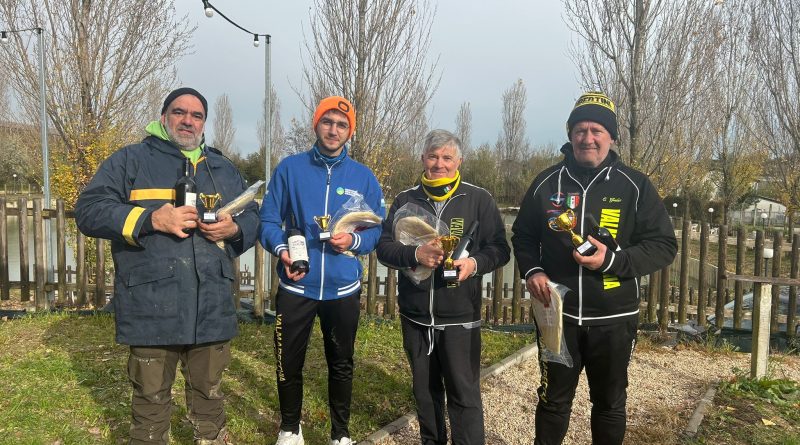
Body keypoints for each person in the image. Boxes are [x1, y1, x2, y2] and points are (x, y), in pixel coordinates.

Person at [75, 87, 259, 445]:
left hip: (211, 307)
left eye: (197, 115)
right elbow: (89, 211)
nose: (187, 120)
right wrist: (150, 219)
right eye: (179, 112)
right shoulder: (131, 160)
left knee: (209, 399)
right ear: (164, 117)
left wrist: (236, 228)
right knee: (150, 402)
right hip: (151, 307)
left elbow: (253, 218)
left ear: (204, 123)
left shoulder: (222, 168)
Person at [511, 91, 678, 445]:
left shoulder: (635, 185)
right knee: (553, 402)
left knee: (609, 403)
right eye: (580, 130)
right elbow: (523, 236)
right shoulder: (546, 183)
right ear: (570, 135)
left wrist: (612, 261)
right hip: (558, 317)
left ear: (611, 136)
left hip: (615, 320)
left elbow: (664, 246)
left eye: (597, 130)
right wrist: (532, 272)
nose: (588, 138)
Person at [259, 96, 384, 445]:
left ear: (350, 132)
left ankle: (340, 434)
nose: (333, 130)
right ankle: (289, 427)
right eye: (327, 122)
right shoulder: (290, 168)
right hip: (297, 285)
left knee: (341, 361)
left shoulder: (363, 177)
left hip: (342, 288)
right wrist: (282, 248)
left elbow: (377, 229)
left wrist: (354, 243)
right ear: (316, 125)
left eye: (341, 124)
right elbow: (268, 220)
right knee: (288, 361)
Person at [376, 129, 510, 445]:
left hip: (460, 318)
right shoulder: (405, 200)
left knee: (464, 396)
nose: (439, 164)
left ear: (458, 161)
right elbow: (383, 248)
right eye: (433, 156)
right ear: (423, 158)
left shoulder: (479, 199)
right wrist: (414, 254)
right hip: (416, 317)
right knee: (425, 394)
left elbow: (501, 248)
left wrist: (474, 264)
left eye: (447, 157)